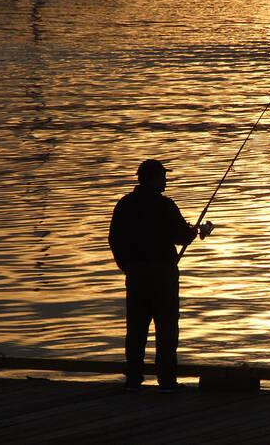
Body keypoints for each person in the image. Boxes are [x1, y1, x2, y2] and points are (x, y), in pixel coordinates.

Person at [108, 159, 199, 392]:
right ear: (155, 178)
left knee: (136, 328)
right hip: (163, 274)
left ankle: (133, 380)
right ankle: (167, 382)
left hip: (136, 274)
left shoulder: (124, 205)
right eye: (163, 176)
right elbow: (182, 237)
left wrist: (126, 267)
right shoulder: (165, 205)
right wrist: (195, 231)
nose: (166, 180)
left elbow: (114, 239)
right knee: (167, 328)